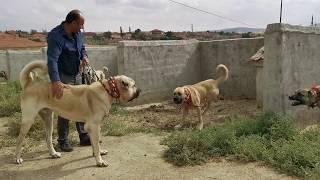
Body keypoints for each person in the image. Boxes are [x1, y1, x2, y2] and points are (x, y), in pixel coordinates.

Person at [47, 9, 91, 152]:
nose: (82, 28)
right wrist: (55, 81)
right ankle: (63, 140)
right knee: (65, 106)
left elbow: (82, 48)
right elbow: (52, 59)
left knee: (81, 104)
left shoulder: (78, 34)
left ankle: (83, 135)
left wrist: (84, 56)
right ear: (72, 23)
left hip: (76, 73)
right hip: (62, 75)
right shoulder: (55, 36)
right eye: (80, 25)